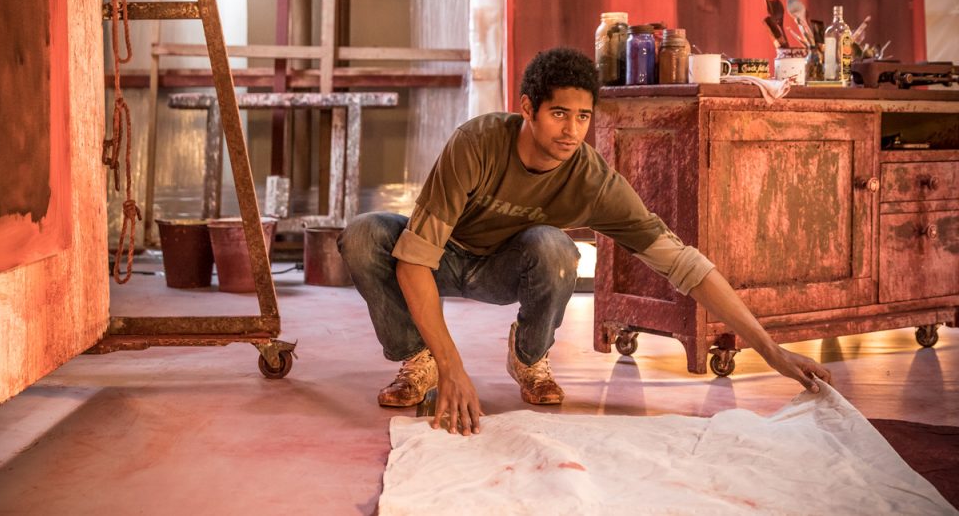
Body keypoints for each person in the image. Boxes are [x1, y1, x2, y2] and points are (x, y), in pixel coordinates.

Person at [338, 46, 832, 437]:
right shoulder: (478, 143)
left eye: (582, 116)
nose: (572, 130)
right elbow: (414, 261)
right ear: (528, 108)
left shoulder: (593, 182)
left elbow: (685, 265)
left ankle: (530, 359)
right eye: (558, 114)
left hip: (504, 270)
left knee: (555, 247)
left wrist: (772, 351)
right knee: (364, 235)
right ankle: (418, 360)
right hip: (445, 258)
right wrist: (451, 366)